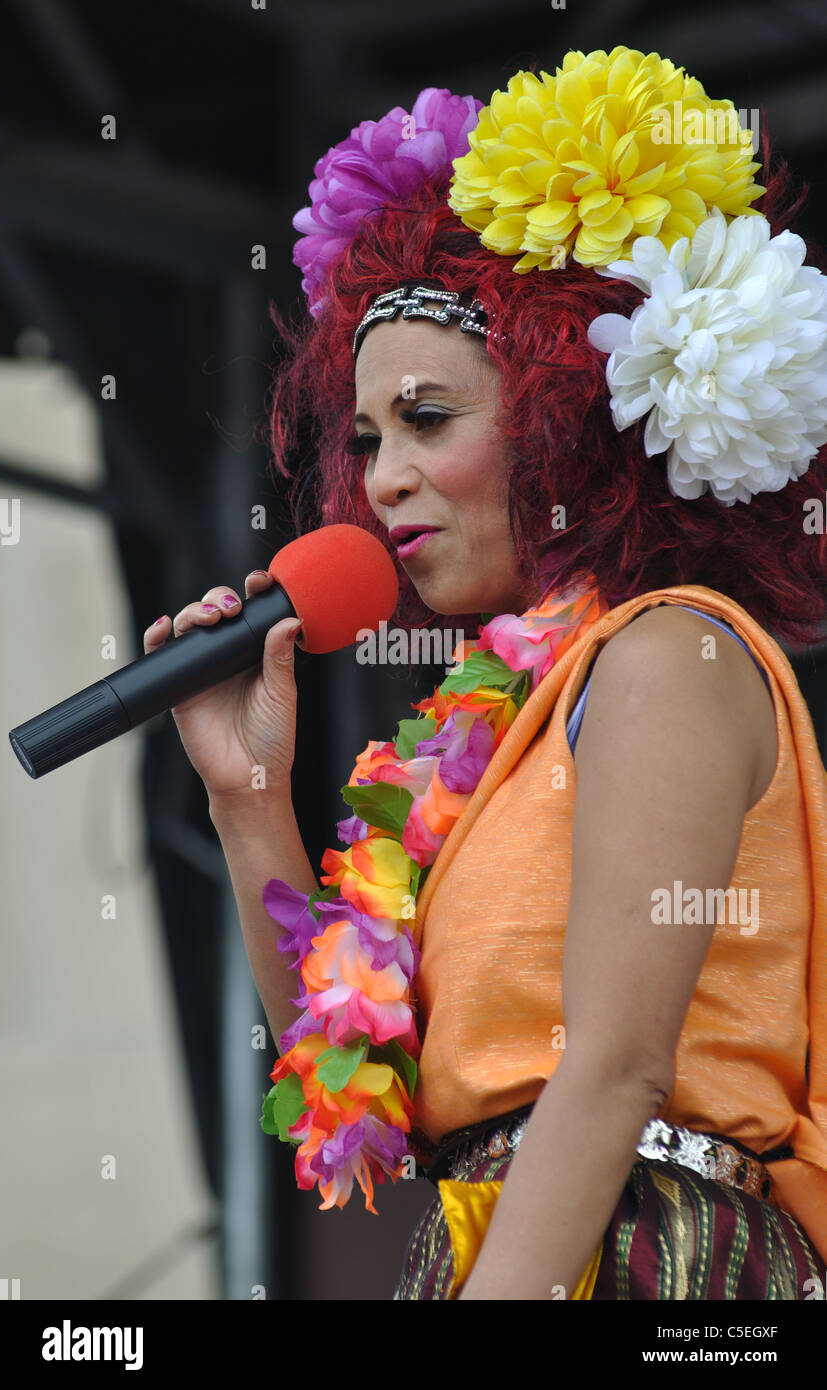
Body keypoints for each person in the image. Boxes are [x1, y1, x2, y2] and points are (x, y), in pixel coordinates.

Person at [142, 47, 827, 1300]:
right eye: (364, 440)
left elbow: (614, 1069)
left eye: (427, 419)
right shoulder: (495, 728)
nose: (383, 475)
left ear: (568, 413)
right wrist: (247, 793)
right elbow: (351, 1096)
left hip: (653, 1261)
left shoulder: (669, 652)